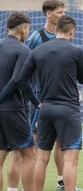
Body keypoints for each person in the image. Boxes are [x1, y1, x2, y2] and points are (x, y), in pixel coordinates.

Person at [17, 15, 83, 191]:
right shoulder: (76, 51)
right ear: (72, 31)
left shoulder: (38, 51)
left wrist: (36, 102)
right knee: (70, 160)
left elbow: (21, 80)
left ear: (56, 30)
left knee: (41, 159)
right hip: (68, 109)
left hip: (46, 109)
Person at [0, 12, 36, 191]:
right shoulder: (23, 50)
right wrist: (37, 103)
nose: (28, 32)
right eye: (28, 29)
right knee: (29, 154)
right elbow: (18, 81)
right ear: (23, 28)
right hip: (13, 109)